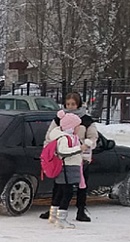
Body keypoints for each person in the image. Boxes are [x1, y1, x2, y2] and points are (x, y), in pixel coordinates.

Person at [40, 92, 99, 221]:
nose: (70, 107)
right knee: (59, 185)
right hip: (61, 157)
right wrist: (49, 151)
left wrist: (86, 146)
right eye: (68, 104)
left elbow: (93, 137)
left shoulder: (86, 120)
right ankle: (53, 210)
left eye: (73, 104)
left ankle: (81, 210)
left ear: (78, 104)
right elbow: (50, 136)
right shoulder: (59, 119)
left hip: (80, 158)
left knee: (81, 185)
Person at [47, 110, 88, 228]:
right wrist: (80, 149)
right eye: (77, 126)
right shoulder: (65, 138)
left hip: (68, 168)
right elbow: (63, 151)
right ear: (71, 127)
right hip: (67, 168)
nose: (79, 128)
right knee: (67, 193)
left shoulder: (70, 137)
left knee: (60, 191)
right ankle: (61, 219)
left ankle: (53, 215)